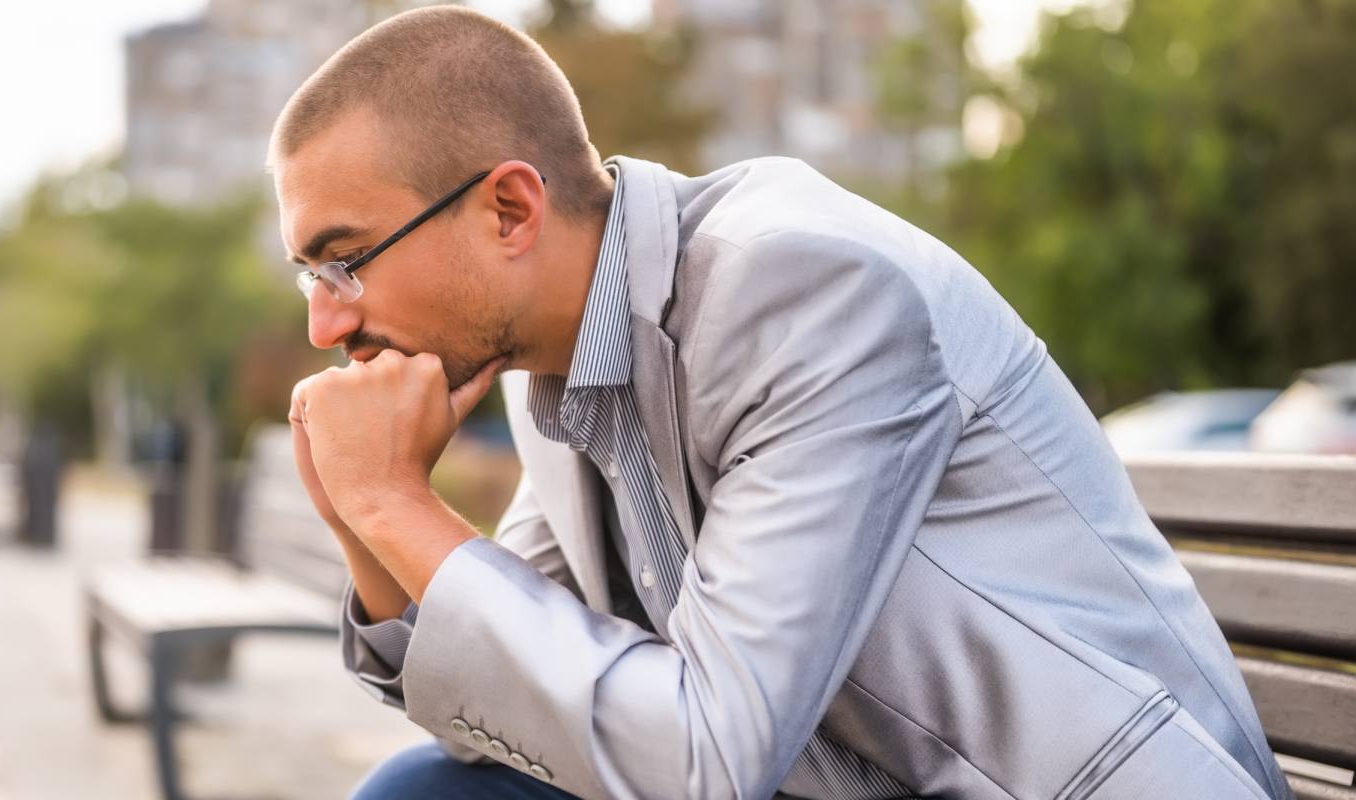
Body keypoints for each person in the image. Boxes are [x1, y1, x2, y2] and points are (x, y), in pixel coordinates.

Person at [272, 6, 1290, 799]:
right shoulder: (562, 368)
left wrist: (396, 506)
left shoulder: (806, 291)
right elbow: (522, 697)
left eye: (345, 261)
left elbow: (704, 760)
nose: (326, 325)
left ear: (509, 209)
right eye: (310, 274)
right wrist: (364, 516)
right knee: (435, 788)